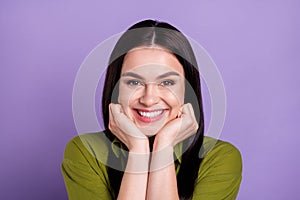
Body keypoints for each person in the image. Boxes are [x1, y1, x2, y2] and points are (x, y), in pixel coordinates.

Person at [61, 19, 242, 200]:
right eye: (134, 82)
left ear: (187, 91)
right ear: (116, 89)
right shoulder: (85, 152)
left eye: (166, 82)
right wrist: (138, 148)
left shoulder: (220, 158)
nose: (149, 100)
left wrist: (163, 146)